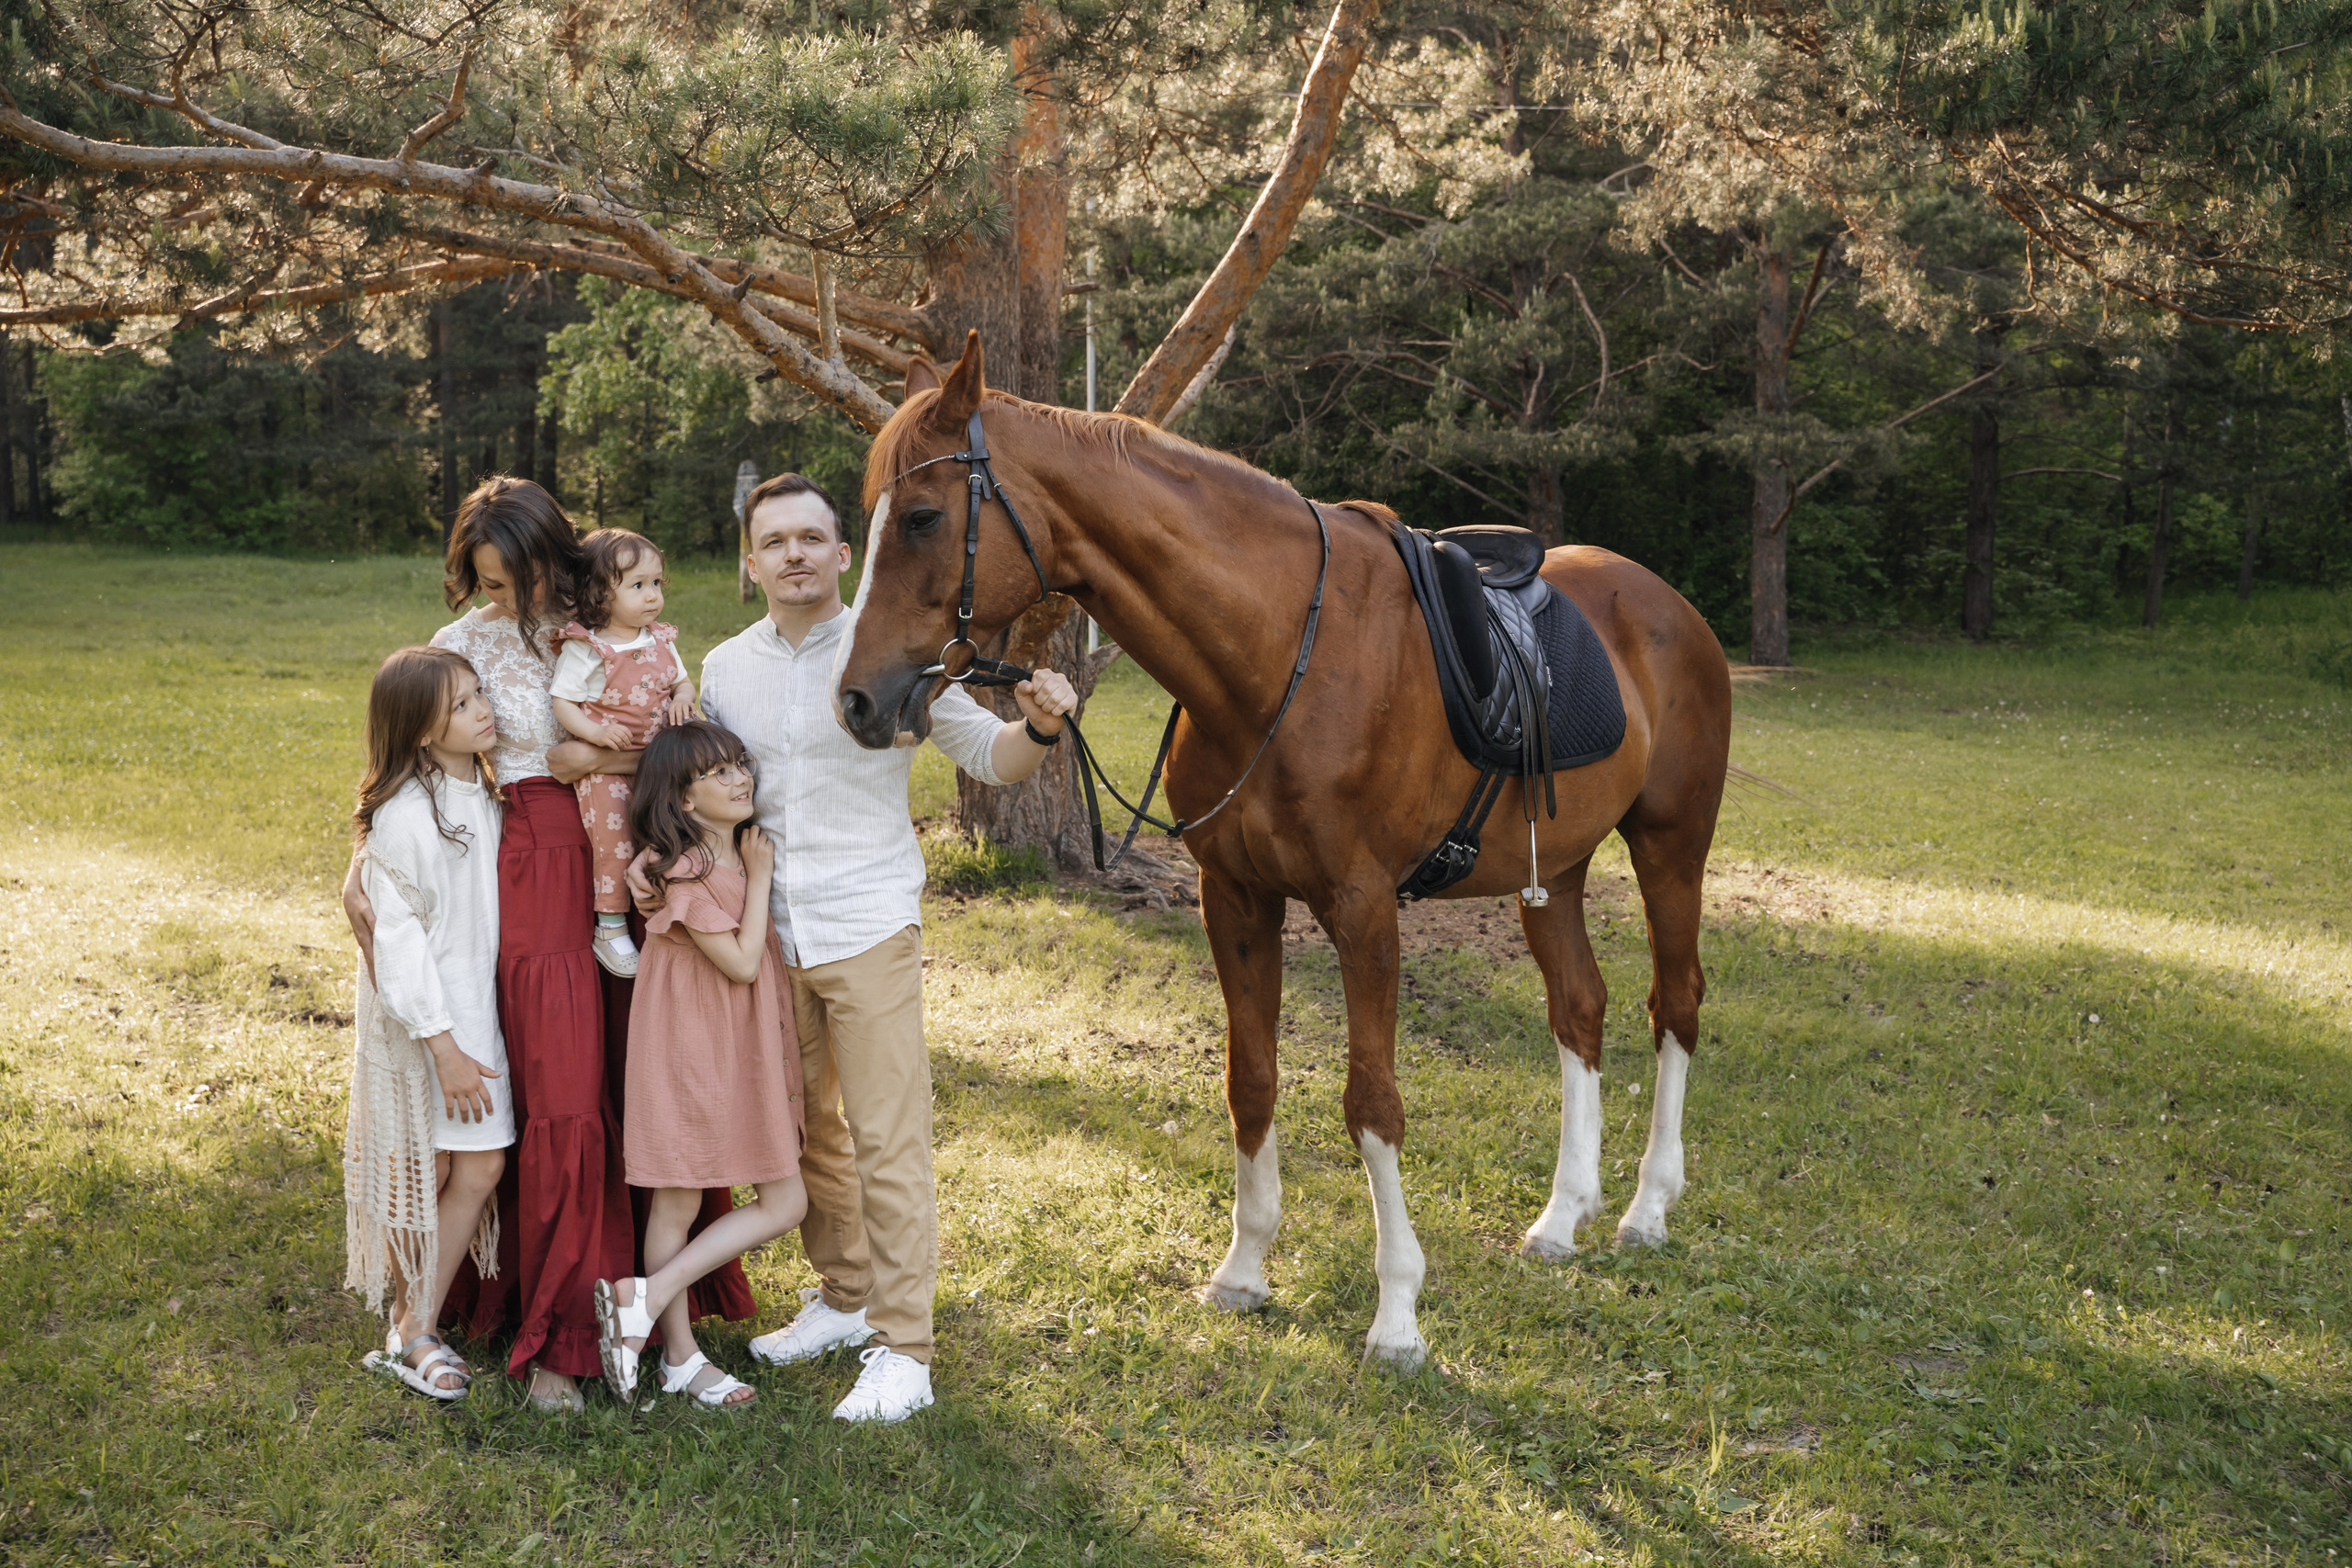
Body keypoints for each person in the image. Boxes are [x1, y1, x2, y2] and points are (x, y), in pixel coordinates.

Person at [650, 471, 1074, 1425]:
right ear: (750, 563)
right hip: (764, 938)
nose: (794, 554)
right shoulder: (725, 669)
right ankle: (844, 1296)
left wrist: (1040, 728)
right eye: (775, 541)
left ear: (845, 557)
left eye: (812, 538)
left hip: (868, 922)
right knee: (802, 1138)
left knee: (888, 1141)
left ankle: (905, 1349)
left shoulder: (900, 654)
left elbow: (990, 757)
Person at [343, 477, 753, 1413]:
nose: (508, 601)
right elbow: (408, 761)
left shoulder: (614, 609)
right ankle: (556, 1336)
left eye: (520, 579)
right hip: (527, 864)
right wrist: (357, 865)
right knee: (560, 1092)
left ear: (555, 558)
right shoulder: (463, 647)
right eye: (488, 584)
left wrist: (597, 762)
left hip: (633, 859)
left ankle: (656, 1309)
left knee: (635, 1082)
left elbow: (680, 743)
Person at [593, 722, 808, 1409]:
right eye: (718, 773)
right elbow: (741, 963)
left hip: (733, 1047)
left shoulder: (727, 858)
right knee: (684, 1195)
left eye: (740, 763)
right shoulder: (682, 871)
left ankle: (645, 1299)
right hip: (692, 1052)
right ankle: (679, 1357)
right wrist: (764, 875)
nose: (739, 777)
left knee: (779, 1200)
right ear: (684, 799)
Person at [345, 646, 512, 1401]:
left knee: (480, 1165)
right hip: (425, 1027)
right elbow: (398, 942)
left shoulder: (483, 789)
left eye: (481, 694)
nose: (485, 709)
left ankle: (415, 1322)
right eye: (464, 703)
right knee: (427, 1170)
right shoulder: (405, 817)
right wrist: (443, 1046)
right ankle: (414, 1330)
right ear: (419, 728)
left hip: (479, 1012)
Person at [549, 528, 695, 978]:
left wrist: (686, 697)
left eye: (657, 584)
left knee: (668, 833)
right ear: (600, 594)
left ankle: (674, 910)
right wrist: (594, 731)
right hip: (606, 772)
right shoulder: (589, 648)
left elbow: (680, 681)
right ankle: (610, 926)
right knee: (613, 846)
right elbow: (563, 703)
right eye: (637, 586)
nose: (652, 596)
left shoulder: (659, 638)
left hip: (659, 765)